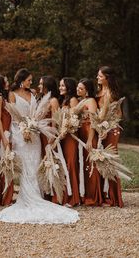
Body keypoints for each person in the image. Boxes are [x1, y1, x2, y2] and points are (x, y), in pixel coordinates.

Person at [0, 68, 79, 224]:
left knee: (35, 163)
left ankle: (37, 194)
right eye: (29, 80)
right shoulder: (12, 94)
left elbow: (37, 112)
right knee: (25, 165)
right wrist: (20, 131)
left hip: (35, 133)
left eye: (32, 81)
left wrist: (33, 126)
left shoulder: (32, 94)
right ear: (21, 80)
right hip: (20, 133)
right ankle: (26, 196)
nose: (31, 83)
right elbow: (13, 116)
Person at [96, 66, 123, 207]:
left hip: (112, 130)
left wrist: (108, 126)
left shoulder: (111, 93)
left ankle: (114, 198)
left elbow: (119, 115)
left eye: (100, 76)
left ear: (107, 78)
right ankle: (103, 194)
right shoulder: (100, 91)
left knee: (111, 161)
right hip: (102, 129)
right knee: (101, 160)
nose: (97, 78)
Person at [76, 78, 103, 206]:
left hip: (89, 134)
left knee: (91, 164)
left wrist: (90, 139)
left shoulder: (91, 101)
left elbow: (93, 121)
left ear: (87, 90)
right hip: (81, 134)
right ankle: (86, 193)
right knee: (84, 164)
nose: (78, 90)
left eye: (81, 88)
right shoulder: (82, 101)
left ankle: (94, 196)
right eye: (78, 87)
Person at [0, 73, 14, 206]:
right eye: (6, 81)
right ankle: (4, 197)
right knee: (4, 163)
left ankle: (8, 195)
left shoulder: (4, 97)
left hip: (8, 132)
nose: (8, 83)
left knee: (8, 162)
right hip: (2, 133)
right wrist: (3, 137)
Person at [59, 77, 80, 207]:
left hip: (70, 137)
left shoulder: (73, 100)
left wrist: (65, 130)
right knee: (65, 164)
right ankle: (66, 195)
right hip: (63, 137)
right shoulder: (64, 100)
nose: (60, 87)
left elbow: (74, 121)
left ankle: (73, 198)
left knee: (71, 164)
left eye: (62, 86)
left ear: (69, 87)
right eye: (60, 85)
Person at [38, 76, 59, 156]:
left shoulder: (53, 100)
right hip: (41, 133)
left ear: (47, 85)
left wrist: (53, 136)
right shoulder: (41, 99)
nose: (39, 86)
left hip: (48, 134)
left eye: (41, 84)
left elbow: (55, 120)